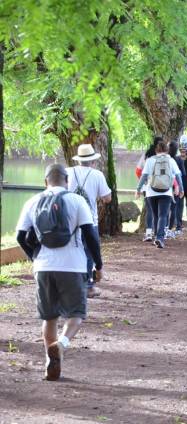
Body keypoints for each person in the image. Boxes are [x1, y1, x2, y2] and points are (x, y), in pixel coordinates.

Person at [16, 164, 104, 381]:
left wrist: (34, 257)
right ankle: (61, 345)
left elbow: (20, 236)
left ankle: (50, 362)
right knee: (76, 315)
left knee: (49, 317)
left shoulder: (32, 202)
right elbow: (91, 236)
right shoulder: (77, 200)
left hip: (43, 267)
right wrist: (98, 266)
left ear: (45, 181)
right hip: (72, 266)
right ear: (67, 181)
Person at [67, 144, 111, 299]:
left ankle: (71, 285)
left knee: (70, 251)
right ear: (93, 161)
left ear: (79, 160)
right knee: (88, 252)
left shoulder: (68, 172)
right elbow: (107, 198)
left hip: (68, 221)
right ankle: (87, 286)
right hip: (89, 220)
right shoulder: (97, 175)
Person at [136, 141, 184, 248]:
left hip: (151, 192)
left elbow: (143, 176)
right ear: (167, 150)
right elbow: (178, 175)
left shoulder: (150, 160)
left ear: (156, 150)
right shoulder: (171, 160)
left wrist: (138, 189)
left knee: (155, 215)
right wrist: (181, 189)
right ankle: (159, 238)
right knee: (163, 215)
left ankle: (156, 236)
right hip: (166, 192)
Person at [137, 136, 162, 242]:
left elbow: (138, 171)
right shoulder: (164, 157)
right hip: (162, 187)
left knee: (150, 210)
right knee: (161, 211)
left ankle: (148, 233)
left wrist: (144, 182)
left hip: (147, 187)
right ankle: (158, 234)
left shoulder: (146, 155)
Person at [168, 141, 186, 237]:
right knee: (174, 208)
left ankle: (162, 228)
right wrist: (181, 188)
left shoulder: (164, 159)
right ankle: (170, 228)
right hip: (175, 187)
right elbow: (181, 175)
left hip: (163, 186)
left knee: (165, 209)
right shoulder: (178, 160)